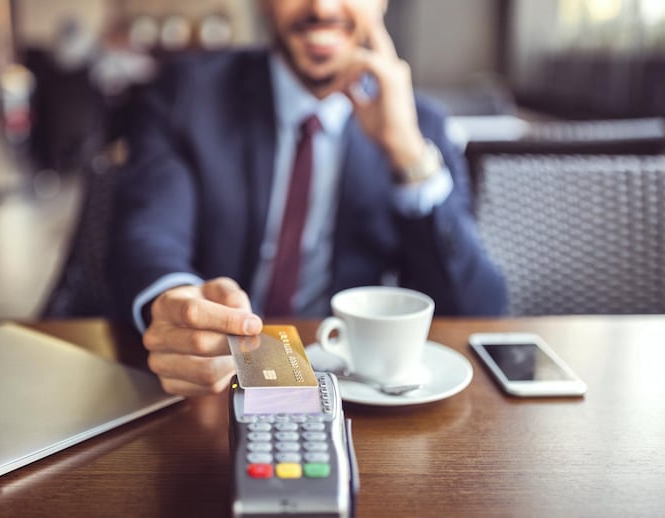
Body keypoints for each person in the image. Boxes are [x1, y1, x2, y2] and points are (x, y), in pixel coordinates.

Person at [109, 0, 507, 396]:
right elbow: (150, 233)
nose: (322, 6)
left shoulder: (420, 125)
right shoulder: (186, 93)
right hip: (204, 390)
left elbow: (478, 308)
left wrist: (408, 156)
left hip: (348, 392)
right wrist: (176, 304)